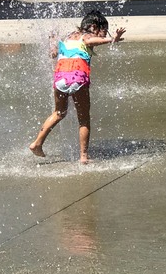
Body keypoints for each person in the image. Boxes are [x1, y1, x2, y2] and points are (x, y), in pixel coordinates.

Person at [29, 9, 125, 164]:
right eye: (104, 31)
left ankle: (37, 143)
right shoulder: (87, 37)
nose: (104, 35)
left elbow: (53, 53)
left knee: (59, 112)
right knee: (84, 118)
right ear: (94, 27)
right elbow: (90, 41)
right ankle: (83, 156)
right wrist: (112, 40)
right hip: (77, 79)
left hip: (60, 78)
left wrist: (53, 39)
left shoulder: (68, 37)